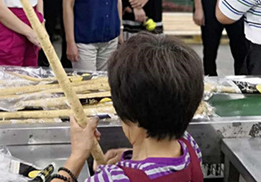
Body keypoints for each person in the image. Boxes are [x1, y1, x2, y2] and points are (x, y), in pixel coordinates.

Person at [51, 33, 204, 182]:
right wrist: (130, 157)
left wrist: (77, 155)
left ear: (128, 113)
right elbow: (161, 166)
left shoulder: (113, 178)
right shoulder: (190, 146)